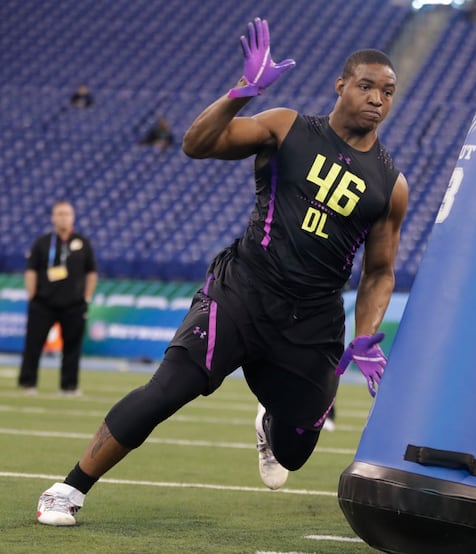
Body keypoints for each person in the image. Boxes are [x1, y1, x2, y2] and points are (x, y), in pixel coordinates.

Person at [35, 18, 408, 526]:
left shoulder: (391, 183)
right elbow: (197, 144)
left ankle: (270, 419)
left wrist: (365, 335)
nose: (376, 99)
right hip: (244, 290)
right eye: (366, 85)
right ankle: (69, 487)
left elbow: (380, 272)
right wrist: (242, 91)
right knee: (168, 388)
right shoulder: (285, 126)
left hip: (313, 319)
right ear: (341, 85)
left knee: (296, 453)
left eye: (387, 91)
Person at [18, 201, 97, 396]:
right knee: (33, 343)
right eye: (59, 214)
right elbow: (31, 270)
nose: (63, 217)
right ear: (53, 217)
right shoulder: (42, 242)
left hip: (73, 304)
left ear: (73, 217)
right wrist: (32, 295)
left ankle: (68, 386)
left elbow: (92, 272)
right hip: (43, 302)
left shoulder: (82, 243)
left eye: (67, 213)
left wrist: (87, 297)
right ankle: (28, 383)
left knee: (72, 347)